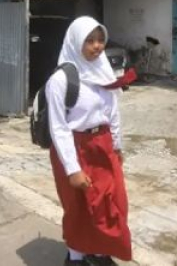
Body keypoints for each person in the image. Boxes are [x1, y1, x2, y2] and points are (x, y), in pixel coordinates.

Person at [46, 16, 137, 266]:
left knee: (110, 203)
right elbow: (58, 127)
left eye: (100, 40)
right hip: (73, 149)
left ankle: (99, 252)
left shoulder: (103, 71)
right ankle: (75, 256)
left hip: (102, 146)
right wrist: (72, 169)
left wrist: (117, 146)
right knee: (77, 205)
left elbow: (112, 113)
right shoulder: (60, 81)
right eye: (90, 40)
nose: (97, 46)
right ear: (75, 42)